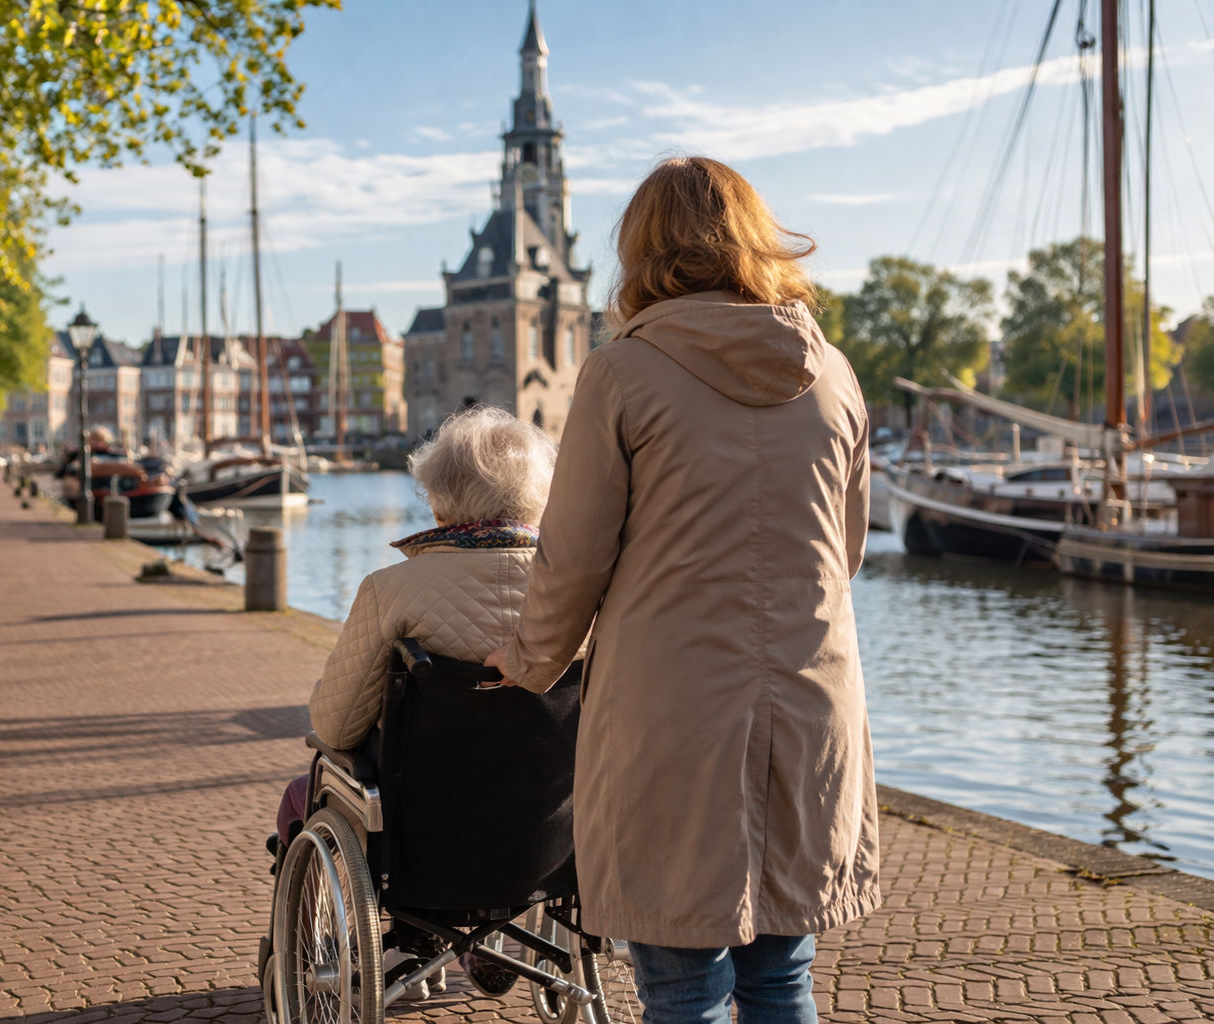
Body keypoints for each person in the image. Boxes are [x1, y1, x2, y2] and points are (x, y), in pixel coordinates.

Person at [485, 156, 880, 1024]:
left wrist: (528, 661)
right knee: (783, 978)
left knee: (682, 988)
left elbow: (572, 557)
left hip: (672, 714)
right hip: (811, 706)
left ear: (644, 249)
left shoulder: (623, 372)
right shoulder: (836, 375)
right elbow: (842, 553)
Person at [278, 403, 559, 999]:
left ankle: (393, 940)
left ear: (440, 499)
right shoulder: (579, 591)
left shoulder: (391, 589)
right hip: (555, 835)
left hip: (423, 834)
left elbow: (334, 724)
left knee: (309, 790)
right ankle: (487, 935)